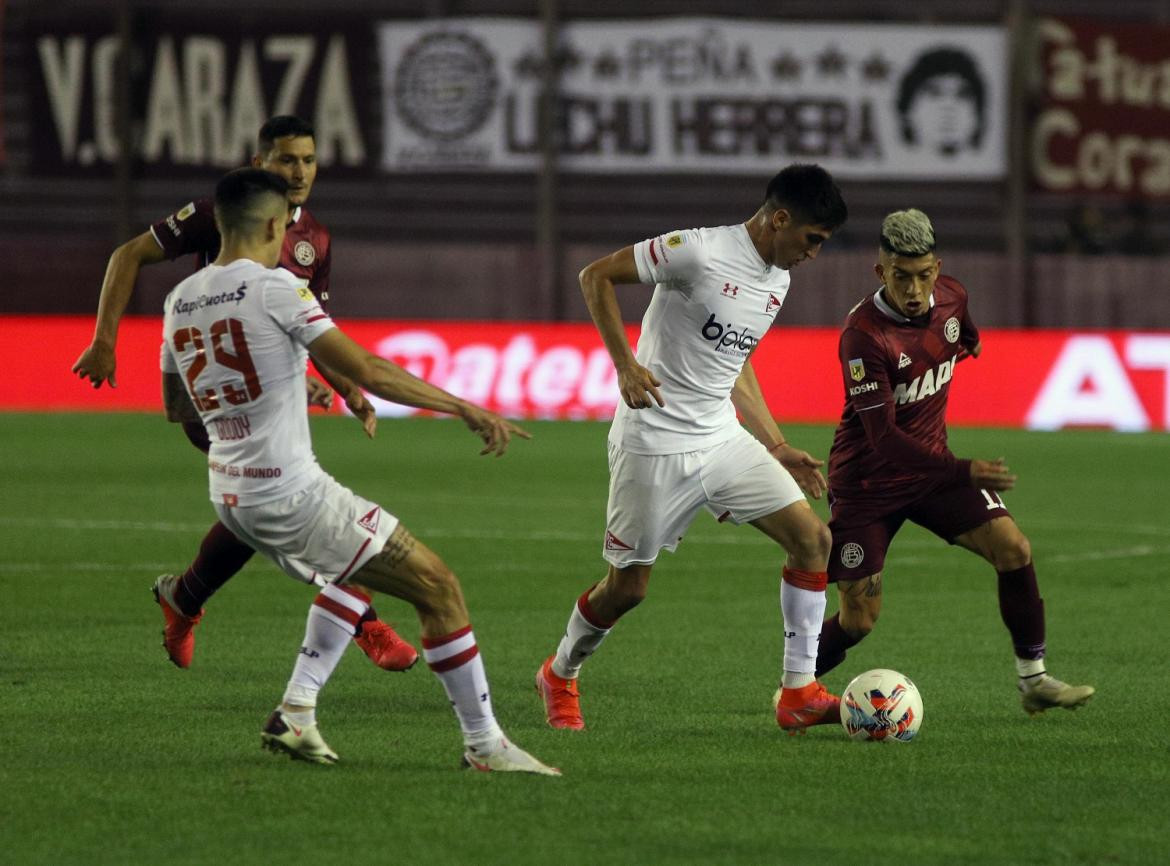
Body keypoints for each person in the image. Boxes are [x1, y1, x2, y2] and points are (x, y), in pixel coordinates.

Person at [161, 167, 558, 773]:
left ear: (217, 222)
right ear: (274, 224)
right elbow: (368, 371)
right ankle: (486, 746)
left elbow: (177, 407)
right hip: (289, 493)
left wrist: (279, 392)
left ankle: (296, 712)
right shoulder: (277, 288)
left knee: (348, 572)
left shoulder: (179, 300)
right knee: (438, 587)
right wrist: (461, 406)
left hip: (231, 492)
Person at [71, 116, 417, 674]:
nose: (298, 171)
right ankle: (366, 624)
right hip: (215, 393)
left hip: (269, 392)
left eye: (307, 160)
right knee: (284, 498)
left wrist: (346, 387)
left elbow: (316, 324)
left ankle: (183, 598)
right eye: (286, 160)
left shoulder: (316, 240)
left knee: (255, 512)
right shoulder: (219, 214)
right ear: (260, 164)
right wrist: (104, 341)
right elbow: (127, 255)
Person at [533, 164, 850, 734]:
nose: (813, 255)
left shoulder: (777, 279)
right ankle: (560, 673)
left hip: (721, 437)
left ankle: (797, 692)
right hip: (653, 442)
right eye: (812, 240)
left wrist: (773, 443)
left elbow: (735, 362)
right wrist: (626, 365)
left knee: (814, 539)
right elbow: (594, 276)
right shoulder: (697, 252)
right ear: (780, 218)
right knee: (627, 589)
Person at [807, 207, 1094, 716]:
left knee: (1013, 548)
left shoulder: (955, 298)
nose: (914, 289)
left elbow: (962, 331)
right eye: (901, 277)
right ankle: (796, 687)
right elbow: (883, 438)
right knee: (859, 619)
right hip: (868, 484)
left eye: (923, 275)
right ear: (881, 273)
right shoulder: (863, 336)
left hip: (931, 474)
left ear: (937, 268)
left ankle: (1035, 680)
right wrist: (964, 470)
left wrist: (973, 342)